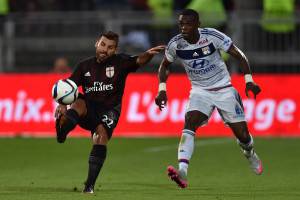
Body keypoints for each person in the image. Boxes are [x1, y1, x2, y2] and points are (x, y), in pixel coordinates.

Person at [155, 9, 263, 189]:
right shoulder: (175, 44)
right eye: (181, 24)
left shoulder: (212, 36)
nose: (184, 27)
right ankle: (182, 171)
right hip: (199, 91)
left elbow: (239, 55)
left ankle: (250, 153)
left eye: (188, 24)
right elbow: (165, 65)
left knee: (243, 135)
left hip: (223, 89)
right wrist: (162, 89)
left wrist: (249, 80)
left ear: (198, 24)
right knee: (189, 122)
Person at [54, 31, 165, 193]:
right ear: (96, 43)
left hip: (109, 110)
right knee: (78, 101)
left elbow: (139, 60)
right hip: (88, 108)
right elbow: (68, 88)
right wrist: (62, 105)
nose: (105, 50)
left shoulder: (121, 62)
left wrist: (148, 54)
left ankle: (89, 185)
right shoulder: (84, 66)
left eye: (111, 47)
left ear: (115, 50)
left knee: (101, 136)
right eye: (103, 45)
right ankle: (63, 131)